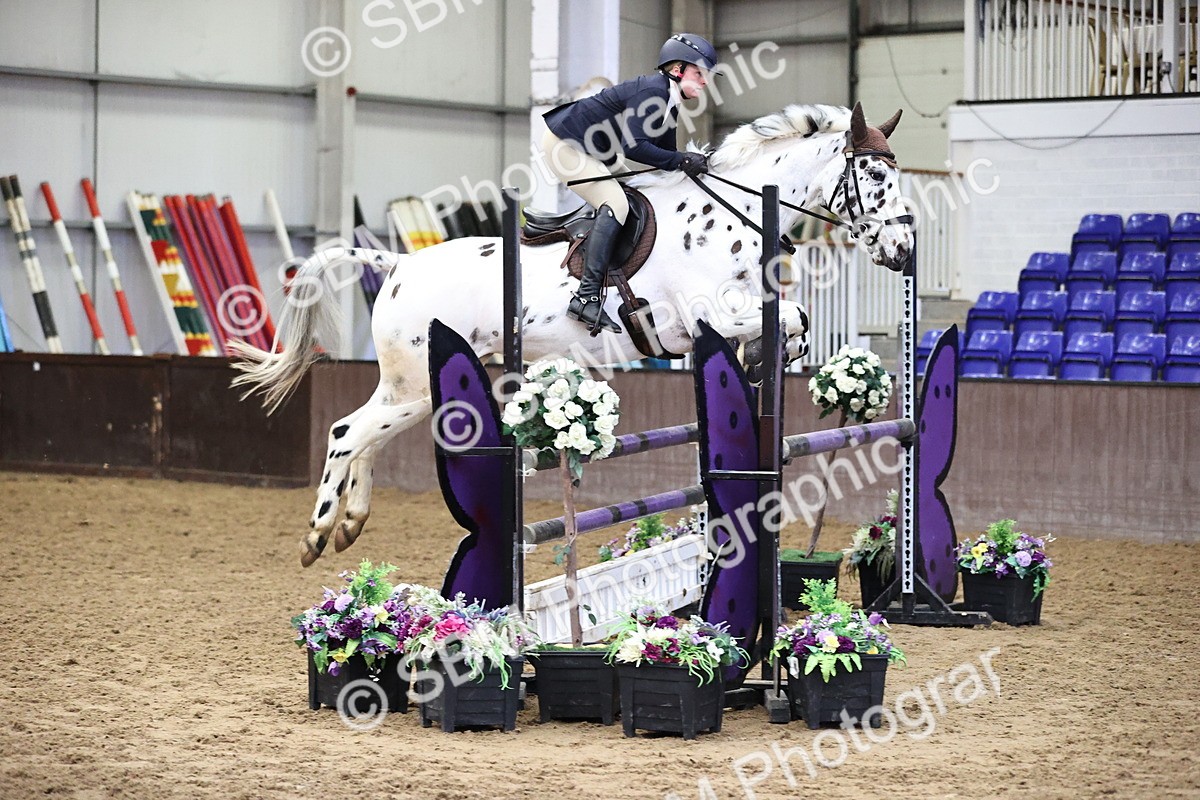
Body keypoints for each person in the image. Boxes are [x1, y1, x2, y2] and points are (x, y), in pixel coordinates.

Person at [541, 33, 719, 334]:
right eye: (699, 73)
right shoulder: (654, 92)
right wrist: (681, 160)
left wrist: (694, 167)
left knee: (640, 190)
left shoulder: (670, 101)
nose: (705, 82)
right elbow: (635, 147)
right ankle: (585, 297)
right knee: (616, 203)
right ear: (677, 70)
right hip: (566, 145)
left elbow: (664, 156)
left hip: (597, 149)